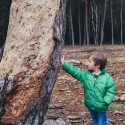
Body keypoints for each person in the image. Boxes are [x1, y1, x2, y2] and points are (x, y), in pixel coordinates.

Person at [61, 51, 116, 125]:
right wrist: (64, 64)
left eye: (90, 62)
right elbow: (75, 71)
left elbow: (111, 90)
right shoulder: (86, 75)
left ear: (97, 65)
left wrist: (106, 100)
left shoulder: (107, 78)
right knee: (95, 122)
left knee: (101, 122)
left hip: (101, 106)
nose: (87, 63)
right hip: (91, 105)